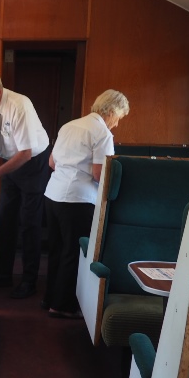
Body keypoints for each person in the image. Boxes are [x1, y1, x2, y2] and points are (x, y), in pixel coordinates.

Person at [43, 89, 130, 318]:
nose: (117, 124)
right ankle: (61, 305)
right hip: (77, 200)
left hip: (52, 195)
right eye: (119, 117)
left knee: (56, 250)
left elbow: (52, 163)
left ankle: (49, 298)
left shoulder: (69, 125)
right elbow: (99, 174)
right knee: (73, 252)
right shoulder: (102, 133)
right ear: (111, 111)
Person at [0, 70, 51, 299]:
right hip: (9, 162)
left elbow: (25, 153)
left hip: (32, 164)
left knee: (29, 222)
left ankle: (29, 280)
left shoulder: (20, 105)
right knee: (5, 218)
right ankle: (4, 274)